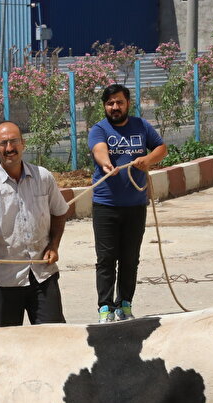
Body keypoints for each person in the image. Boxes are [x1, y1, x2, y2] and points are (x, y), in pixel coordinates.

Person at [0, 121, 69, 327]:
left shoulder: (43, 177)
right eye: (3, 143)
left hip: (43, 274)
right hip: (4, 280)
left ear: (23, 143)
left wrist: (54, 246)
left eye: (14, 141)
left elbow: (59, 212)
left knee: (53, 339)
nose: (10, 148)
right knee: (8, 346)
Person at [88, 83, 167, 323]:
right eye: (110, 103)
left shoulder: (141, 126)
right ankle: (105, 308)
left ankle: (125, 304)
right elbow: (99, 149)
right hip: (106, 205)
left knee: (130, 257)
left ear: (128, 103)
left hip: (135, 205)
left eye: (119, 102)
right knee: (106, 258)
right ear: (104, 105)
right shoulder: (99, 129)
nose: (115, 107)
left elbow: (161, 148)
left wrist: (148, 159)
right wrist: (105, 163)